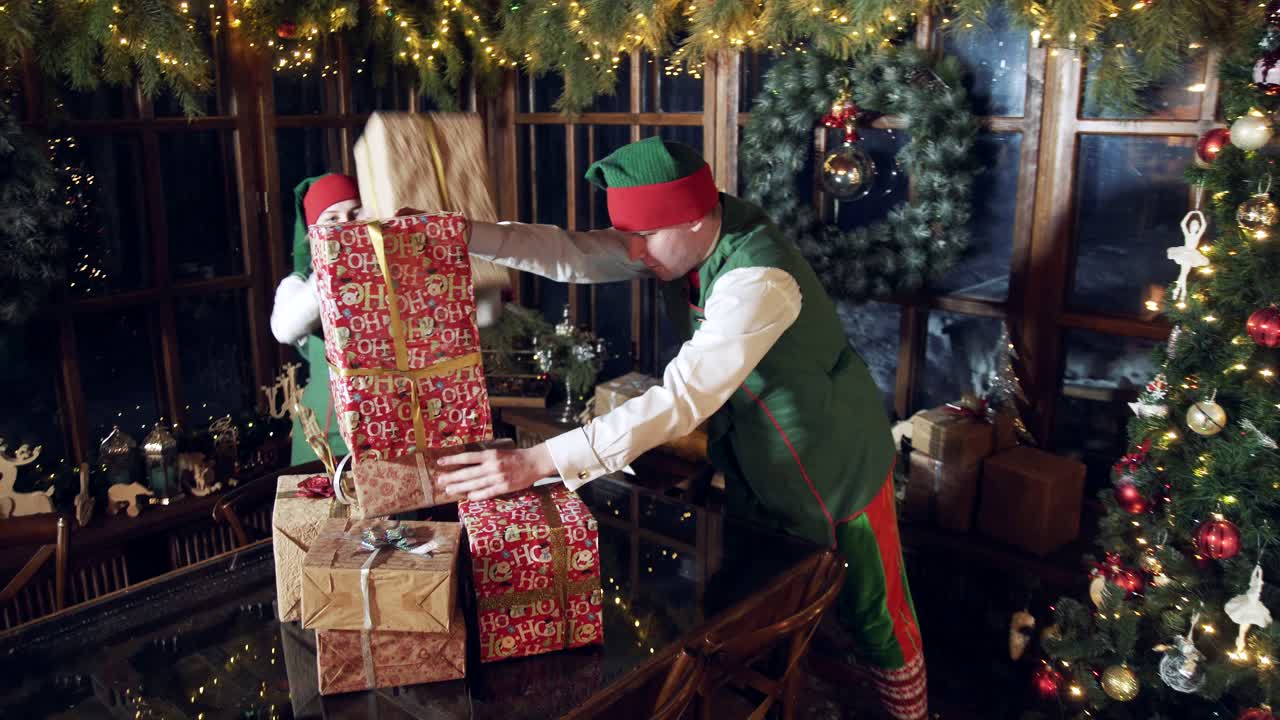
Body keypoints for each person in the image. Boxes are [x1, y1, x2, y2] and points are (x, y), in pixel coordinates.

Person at [434, 137, 927, 719]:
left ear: (696, 219)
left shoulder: (759, 278)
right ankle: (775, 696)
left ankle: (911, 714)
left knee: (876, 611)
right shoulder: (677, 236)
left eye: (644, 239)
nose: (635, 253)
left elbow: (680, 401)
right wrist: (465, 233)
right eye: (630, 238)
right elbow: (573, 251)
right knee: (760, 595)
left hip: (835, 455)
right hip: (756, 455)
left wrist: (535, 463)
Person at [269, 173, 363, 465]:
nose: (346, 225)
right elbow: (284, 329)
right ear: (313, 232)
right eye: (332, 219)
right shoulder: (299, 286)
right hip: (323, 438)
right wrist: (336, 264)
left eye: (355, 214)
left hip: (384, 434)